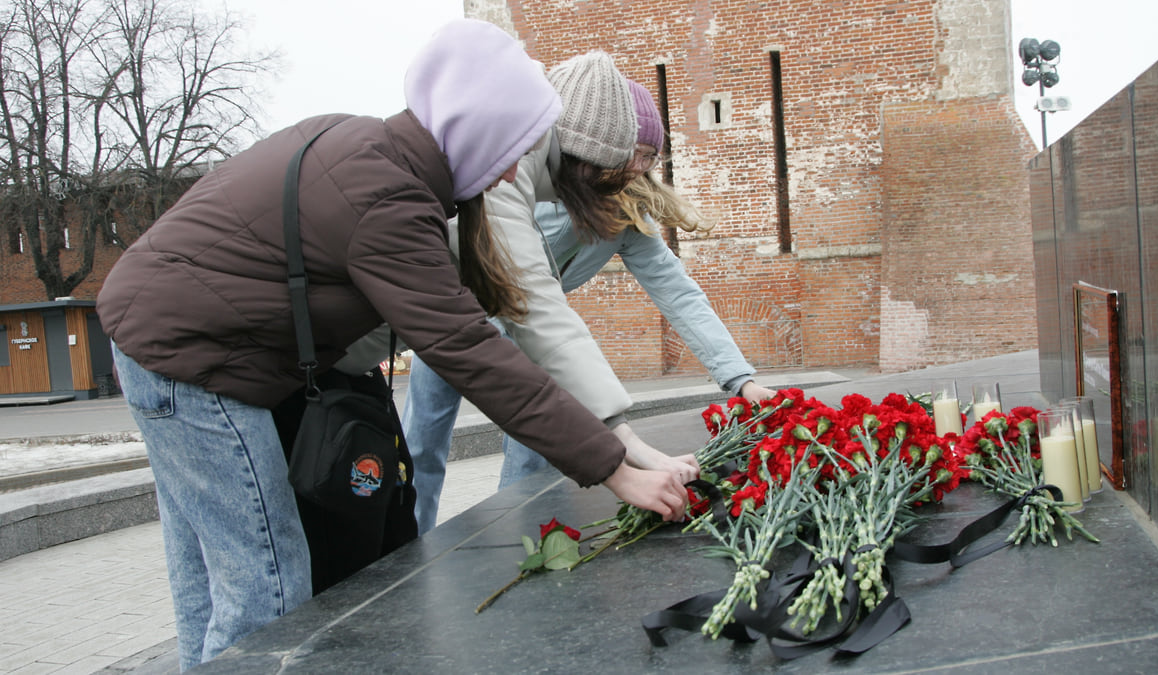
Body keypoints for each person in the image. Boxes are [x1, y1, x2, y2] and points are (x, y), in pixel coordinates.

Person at [96, 20, 689, 671]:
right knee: (265, 588)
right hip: (190, 368)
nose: (518, 168)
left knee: (209, 586)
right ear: (479, 134)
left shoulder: (366, 144)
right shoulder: (390, 202)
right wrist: (613, 466)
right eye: (515, 148)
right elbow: (471, 351)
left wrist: (619, 452)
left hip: (152, 338)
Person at [403, 76, 774, 534]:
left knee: (533, 450)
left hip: (529, 338)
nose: (635, 164)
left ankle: (520, 538)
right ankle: (411, 544)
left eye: (648, 157)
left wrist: (741, 378)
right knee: (421, 443)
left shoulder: (627, 221)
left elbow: (678, 293)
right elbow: (524, 280)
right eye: (633, 150)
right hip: (457, 318)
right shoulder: (539, 186)